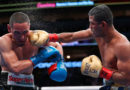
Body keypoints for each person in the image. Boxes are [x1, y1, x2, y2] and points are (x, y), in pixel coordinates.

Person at [32, 4, 130, 89]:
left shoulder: (122, 46)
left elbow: (127, 79)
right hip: (108, 85)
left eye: (92, 23)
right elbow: (72, 36)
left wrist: (101, 71)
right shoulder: (97, 33)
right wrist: (50, 37)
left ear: (103, 25)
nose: (90, 27)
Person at [0, 12, 67, 90]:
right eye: (17, 33)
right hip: (7, 84)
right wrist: (40, 56)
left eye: (25, 32)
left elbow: (56, 45)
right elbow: (16, 68)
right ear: (9, 28)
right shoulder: (4, 41)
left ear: (29, 27)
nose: (22, 37)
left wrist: (60, 62)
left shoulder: (36, 37)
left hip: (29, 83)